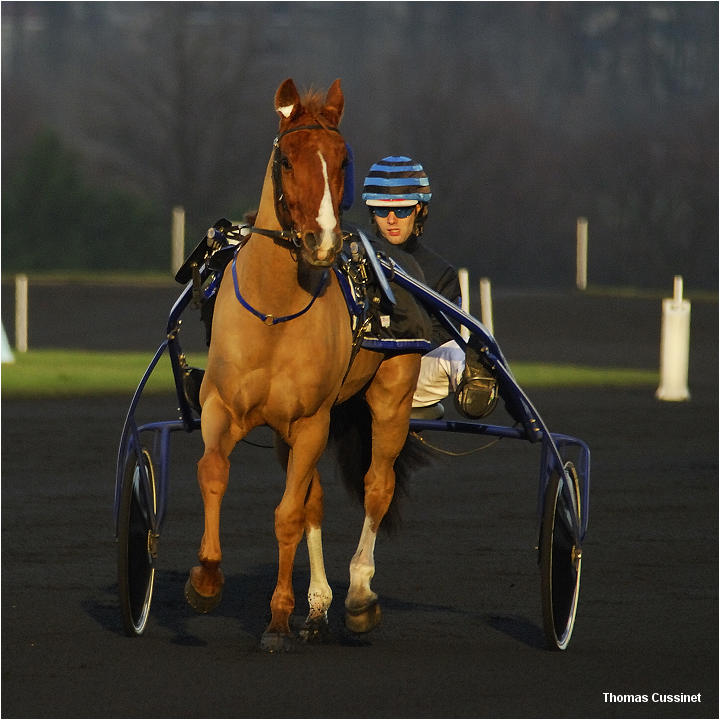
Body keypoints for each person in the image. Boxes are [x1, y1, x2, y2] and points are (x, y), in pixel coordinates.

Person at [361, 155, 497, 419]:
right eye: (381, 210)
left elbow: (443, 336)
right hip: (355, 374)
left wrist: (398, 351)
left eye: (401, 210)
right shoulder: (354, 260)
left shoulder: (440, 273)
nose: (391, 220)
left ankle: (476, 385)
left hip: (410, 377)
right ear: (371, 212)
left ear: (420, 210)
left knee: (457, 351)